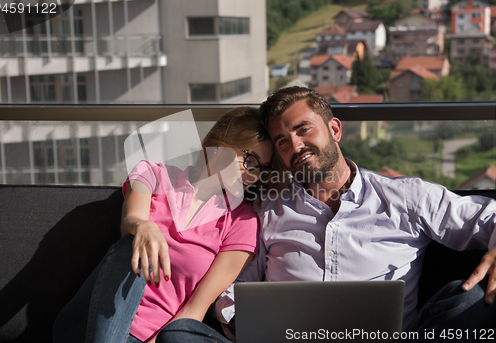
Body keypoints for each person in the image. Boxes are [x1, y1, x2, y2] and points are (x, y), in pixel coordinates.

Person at [207, 86, 496, 342]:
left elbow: (487, 216)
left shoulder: (406, 198)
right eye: (282, 141)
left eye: (303, 129)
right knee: (181, 333)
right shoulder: (268, 213)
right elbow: (235, 290)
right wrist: (242, 320)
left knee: (467, 300)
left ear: (334, 129)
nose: (295, 145)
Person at [52, 106, 277, 343]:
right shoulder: (153, 174)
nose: (254, 175)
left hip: (150, 339)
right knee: (130, 245)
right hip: (87, 326)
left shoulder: (242, 223)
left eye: (262, 168)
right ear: (219, 145)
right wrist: (141, 226)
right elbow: (130, 220)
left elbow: (194, 312)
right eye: (249, 160)